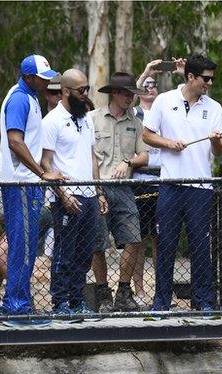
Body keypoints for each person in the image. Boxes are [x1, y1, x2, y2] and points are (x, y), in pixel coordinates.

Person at [142, 54, 222, 312]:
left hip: (200, 187)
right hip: (170, 185)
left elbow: (219, 151)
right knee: (165, 244)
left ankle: (202, 302)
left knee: (200, 245)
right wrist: (169, 143)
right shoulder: (164, 101)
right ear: (190, 76)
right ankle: (161, 301)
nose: (209, 84)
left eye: (212, 79)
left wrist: (214, 140)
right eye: (206, 78)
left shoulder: (214, 108)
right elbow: (147, 135)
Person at [0, 54, 65, 326]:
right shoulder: (18, 99)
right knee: (23, 247)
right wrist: (42, 172)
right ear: (28, 77)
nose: (46, 82)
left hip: (29, 182)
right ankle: (17, 308)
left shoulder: (31, 98)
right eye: (42, 77)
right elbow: (16, 141)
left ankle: (17, 305)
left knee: (24, 245)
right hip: (22, 182)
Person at [41, 69, 108, 317]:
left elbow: (92, 157)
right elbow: (45, 163)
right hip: (67, 197)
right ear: (66, 91)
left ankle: (77, 301)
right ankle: (59, 303)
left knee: (84, 253)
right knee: (64, 252)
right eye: (81, 90)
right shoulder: (52, 121)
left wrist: (99, 191)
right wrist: (63, 195)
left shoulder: (86, 119)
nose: (85, 94)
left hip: (89, 196)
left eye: (87, 89)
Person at [90, 72, 148, 312]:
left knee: (134, 239)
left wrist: (130, 162)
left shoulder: (135, 122)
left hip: (124, 188)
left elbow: (144, 155)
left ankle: (124, 292)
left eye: (132, 94)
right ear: (114, 93)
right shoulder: (91, 119)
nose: (130, 98)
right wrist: (97, 190)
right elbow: (88, 156)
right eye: (126, 93)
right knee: (97, 244)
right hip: (98, 187)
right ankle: (103, 294)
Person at [132, 60, 165, 306]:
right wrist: (145, 73)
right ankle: (139, 288)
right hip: (140, 180)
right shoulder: (135, 114)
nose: (150, 88)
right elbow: (129, 94)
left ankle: (161, 288)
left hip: (162, 179)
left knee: (160, 238)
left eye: (154, 85)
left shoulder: (165, 109)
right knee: (140, 238)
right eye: (146, 84)